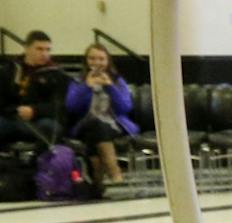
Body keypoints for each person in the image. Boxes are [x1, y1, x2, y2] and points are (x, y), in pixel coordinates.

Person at [64, 44, 137, 185]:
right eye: (92, 58)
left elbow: (126, 107)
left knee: (97, 129)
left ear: (108, 61)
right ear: (86, 61)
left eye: (101, 59)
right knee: (95, 125)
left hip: (114, 124)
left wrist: (110, 87)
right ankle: (114, 174)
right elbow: (71, 107)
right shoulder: (77, 81)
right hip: (85, 123)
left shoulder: (117, 81)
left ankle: (99, 179)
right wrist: (87, 87)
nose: (97, 63)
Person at [3, 31, 69, 150]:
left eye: (48, 50)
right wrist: (16, 110)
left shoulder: (56, 74)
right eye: (39, 49)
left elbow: (59, 106)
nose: (44, 54)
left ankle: (39, 164)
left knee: (51, 129)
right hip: (12, 118)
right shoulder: (10, 69)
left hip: (41, 120)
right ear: (26, 48)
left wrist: (34, 110)